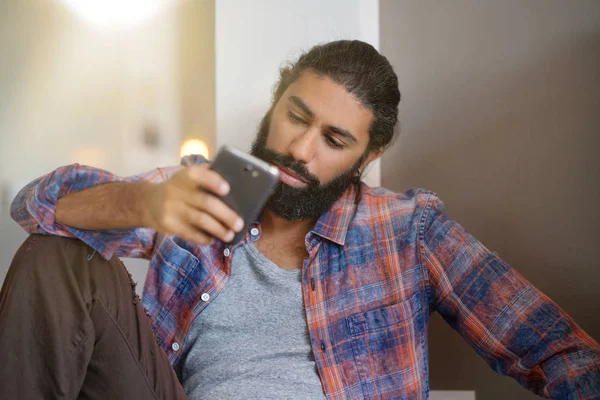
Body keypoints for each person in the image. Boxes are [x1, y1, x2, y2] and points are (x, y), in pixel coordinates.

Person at [1, 40, 599, 399]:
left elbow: (557, 350)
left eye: (334, 138)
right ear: (276, 100)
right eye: (296, 115)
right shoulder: (207, 186)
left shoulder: (409, 228)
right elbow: (33, 204)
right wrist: (142, 204)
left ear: (368, 157)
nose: (300, 150)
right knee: (57, 253)